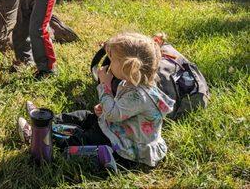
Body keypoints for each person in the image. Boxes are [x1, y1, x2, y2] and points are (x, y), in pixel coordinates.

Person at [18, 32, 175, 168]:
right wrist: (105, 106)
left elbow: (114, 114)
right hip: (117, 128)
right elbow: (121, 109)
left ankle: (36, 135)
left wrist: (105, 86)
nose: (109, 63)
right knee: (83, 116)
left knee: (82, 139)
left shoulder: (139, 95)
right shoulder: (133, 84)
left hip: (123, 146)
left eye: (112, 60)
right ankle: (43, 121)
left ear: (129, 67)